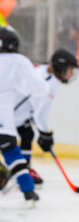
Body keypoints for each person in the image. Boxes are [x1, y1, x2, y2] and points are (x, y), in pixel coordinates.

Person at [15, 48, 79, 185]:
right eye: (70, 69)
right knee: (14, 138)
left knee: (27, 134)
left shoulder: (46, 73)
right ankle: (22, 171)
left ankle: (25, 170)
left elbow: (37, 109)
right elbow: (39, 113)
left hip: (17, 113)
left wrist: (44, 132)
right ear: (61, 67)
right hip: (11, 113)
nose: (72, 73)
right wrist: (45, 133)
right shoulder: (47, 81)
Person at [0, 26, 47, 204]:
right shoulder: (19, 61)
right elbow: (39, 87)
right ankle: (28, 191)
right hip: (5, 122)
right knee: (12, 153)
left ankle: (3, 181)